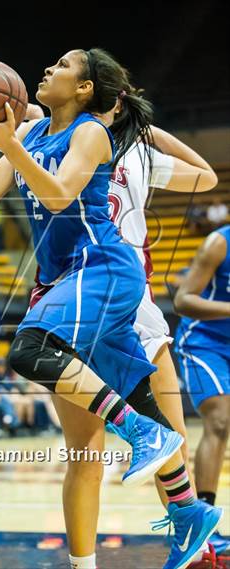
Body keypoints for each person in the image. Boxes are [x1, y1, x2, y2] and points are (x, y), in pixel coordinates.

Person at [0, 48, 221, 569]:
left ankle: (140, 436)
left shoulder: (92, 133)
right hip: (63, 278)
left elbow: (63, 196)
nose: (47, 69)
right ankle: (186, 514)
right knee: (134, 404)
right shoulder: (30, 135)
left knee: (30, 349)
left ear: (87, 90)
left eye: (62, 66)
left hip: (103, 267)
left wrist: (13, 144)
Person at [174, 225, 230, 559]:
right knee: (221, 420)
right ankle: (204, 526)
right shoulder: (219, 243)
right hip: (203, 342)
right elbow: (182, 300)